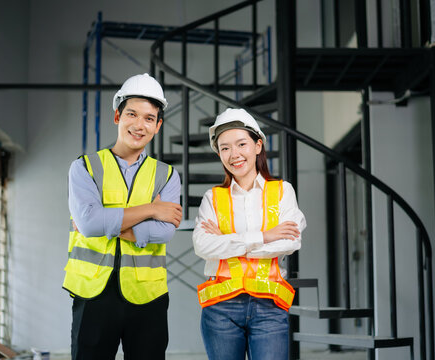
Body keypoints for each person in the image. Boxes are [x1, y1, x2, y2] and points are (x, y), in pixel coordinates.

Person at [63, 73, 182, 360]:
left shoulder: (167, 175)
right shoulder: (85, 168)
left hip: (148, 296)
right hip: (93, 293)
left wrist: (108, 222)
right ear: (117, 116)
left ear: (158, 126)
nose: (139, 125)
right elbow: (91, 225)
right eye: (132, 114)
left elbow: (166, 232)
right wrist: (152, 210)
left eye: (149, 118)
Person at [193, 108, 306, 360]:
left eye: (241, 144)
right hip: (220, 307)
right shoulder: (212, 198)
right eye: (224, 148)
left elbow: (290, 241)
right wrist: (265, 236)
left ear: (258, 145)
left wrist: (226, 240)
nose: (234, 154)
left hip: (269, 306)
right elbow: (203, 247)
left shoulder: (282, 191)